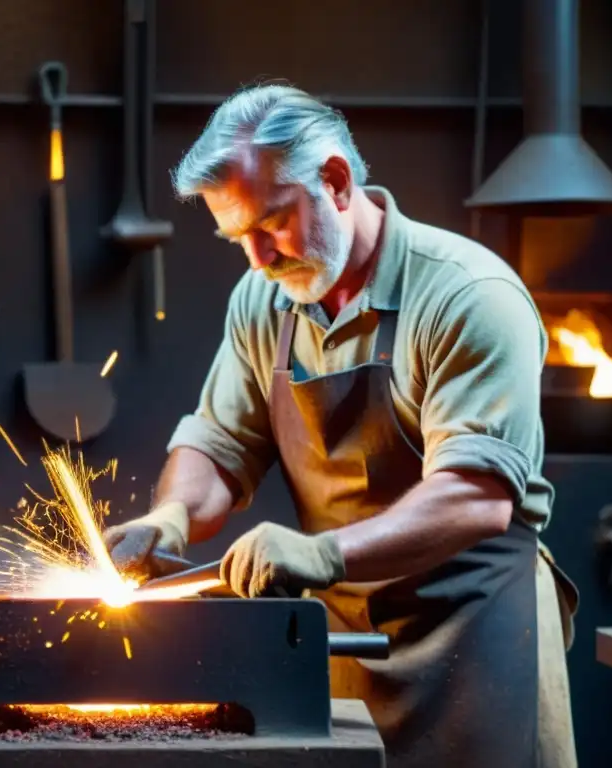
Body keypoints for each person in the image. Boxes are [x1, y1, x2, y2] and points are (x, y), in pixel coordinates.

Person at [104, 84, 579, 768]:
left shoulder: (469, 295)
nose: (259, 259)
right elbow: (220, 442)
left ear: (335, 180)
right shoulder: (265, 301)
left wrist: (321, 555)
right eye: (238, 238)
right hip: (349, 639)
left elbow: (477, 496)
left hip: (479, 635)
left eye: (271, 223)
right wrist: (172, 517)